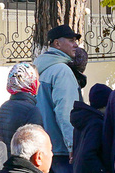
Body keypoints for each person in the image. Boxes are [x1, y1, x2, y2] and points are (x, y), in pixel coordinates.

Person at [34, 25, 84, 158]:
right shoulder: (62, 71)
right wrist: (72, 145)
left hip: (44, 148)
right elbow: (66, 112)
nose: (76, 45)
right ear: (57, 43)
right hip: (61, 150)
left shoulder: (40, 69)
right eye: (71, 41)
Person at [0, 63, 41, 145]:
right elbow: (35, 145)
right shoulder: (31, 111)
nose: (39, 83)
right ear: (30, 81)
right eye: (37, 79)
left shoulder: (4, 107)